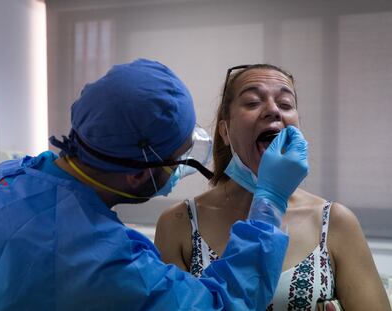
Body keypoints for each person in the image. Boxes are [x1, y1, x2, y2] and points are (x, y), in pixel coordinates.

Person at [0, 59, 309, 310]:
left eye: (285, 102)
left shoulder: (8, 176)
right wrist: (270, 200)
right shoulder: (110, 263)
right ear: (137, 175)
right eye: (179, 160)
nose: (272, 112)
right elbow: (222, 303)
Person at [155, 64, 391, 310]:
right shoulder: (179, 223)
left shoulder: (335, 222)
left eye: (286, 104)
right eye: (252, 102)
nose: (273, 110)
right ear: (225, 131)